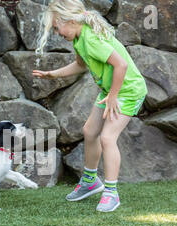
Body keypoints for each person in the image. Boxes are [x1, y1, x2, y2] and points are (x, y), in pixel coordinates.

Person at [32, 0, 148, 212]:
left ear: (71, 21)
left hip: (128, 90)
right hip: (110, 91)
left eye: (57, 28)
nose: (57, 33)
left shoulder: (91, 38)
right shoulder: (79, 38)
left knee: (107, 137)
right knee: (89, 131)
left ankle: (111, 192)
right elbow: (80, 64)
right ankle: (90, 182)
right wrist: (52, 74)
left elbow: (120, 64)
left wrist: (113, 96)